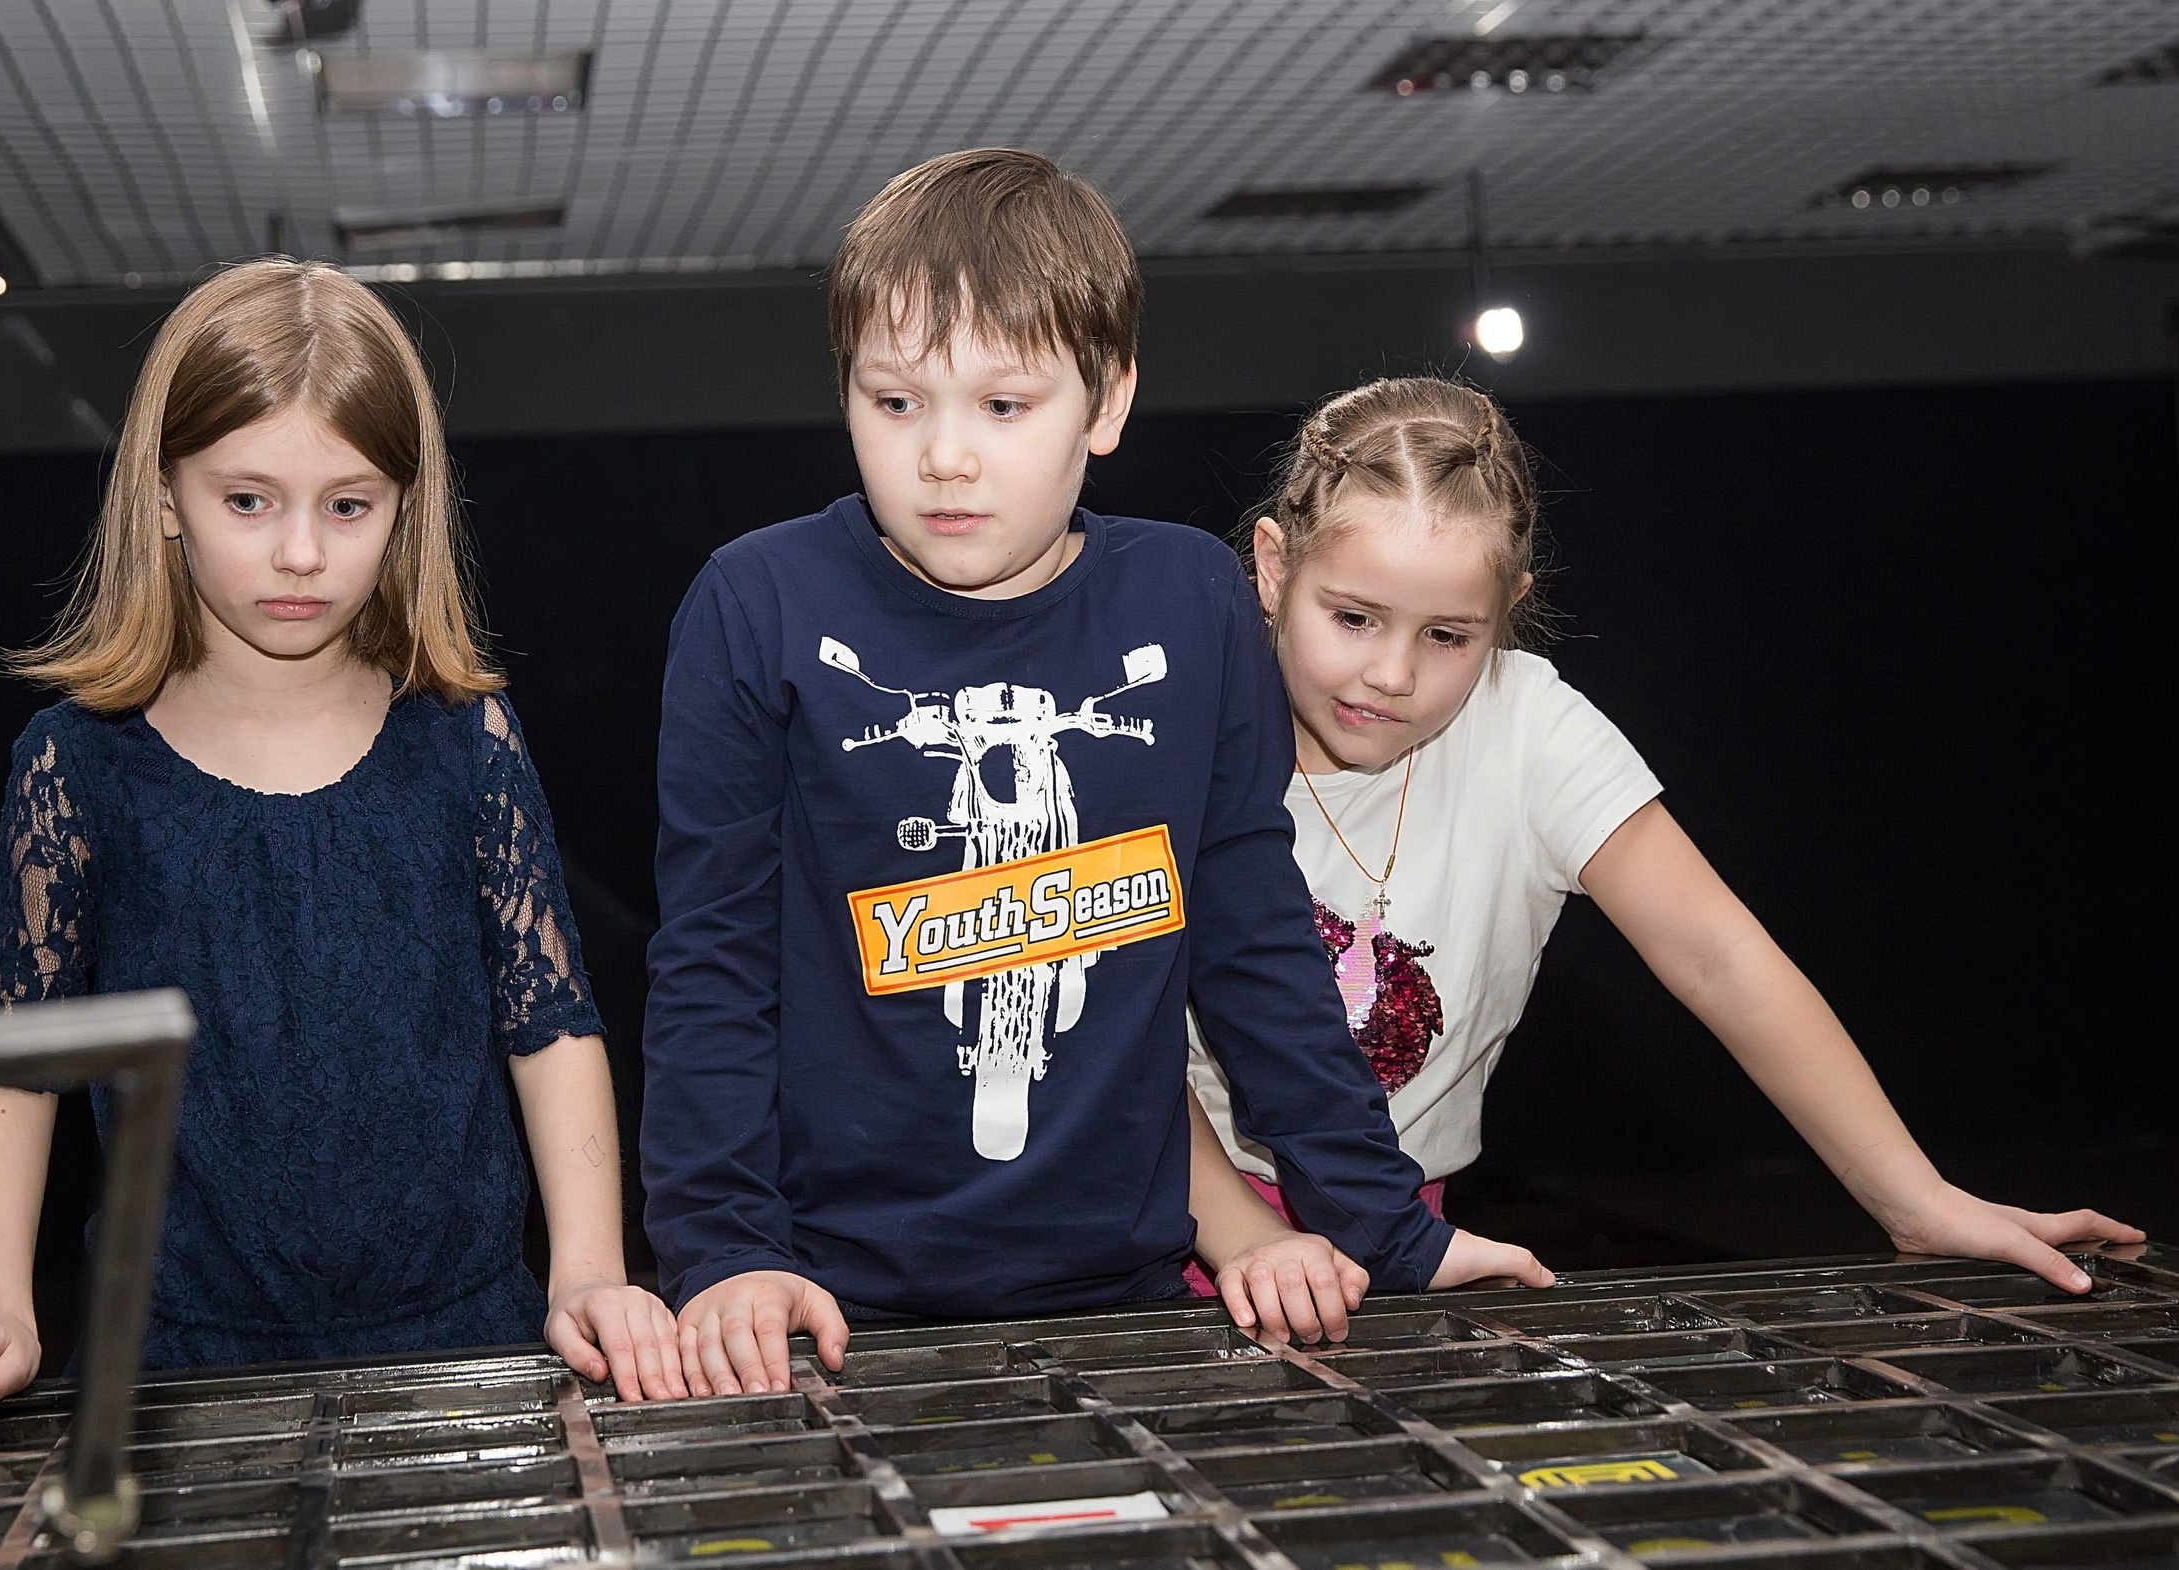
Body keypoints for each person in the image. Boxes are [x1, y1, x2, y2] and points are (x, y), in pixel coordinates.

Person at [641, 150, 1554, 1403]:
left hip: (1129, 1293)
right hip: (821, 1296)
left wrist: (1388, 1229)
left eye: (1003, 404)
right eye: (895, 400)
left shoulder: (1192, 599)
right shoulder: (756, 602)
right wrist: (723, 1250)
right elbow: (713, 961)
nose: (944, 455)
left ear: (1107, 399)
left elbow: (1253, 941)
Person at [0, 261, 684, 1458]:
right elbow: (15, 1061)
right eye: (248, 500)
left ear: (405, 506)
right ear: (166, 493)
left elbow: (549, 1018)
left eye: (347, 505)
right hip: (173, 1372)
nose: (300, 551)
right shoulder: (75, 764)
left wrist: (588, 1270)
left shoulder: (468, 737)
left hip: (467, 1348)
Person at [1185, 375, 2144, 1342]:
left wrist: (1917, 1201)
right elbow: (1113, 1034)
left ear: (1507, 609)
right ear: (1272, 566)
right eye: (1353, 618)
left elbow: (1719, 957)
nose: (1392, 674)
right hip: (1182, 1211)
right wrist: (1242, 1233)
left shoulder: (1530, 728)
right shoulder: (1178, 731)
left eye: (1446, 636)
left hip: (1407, 1223)